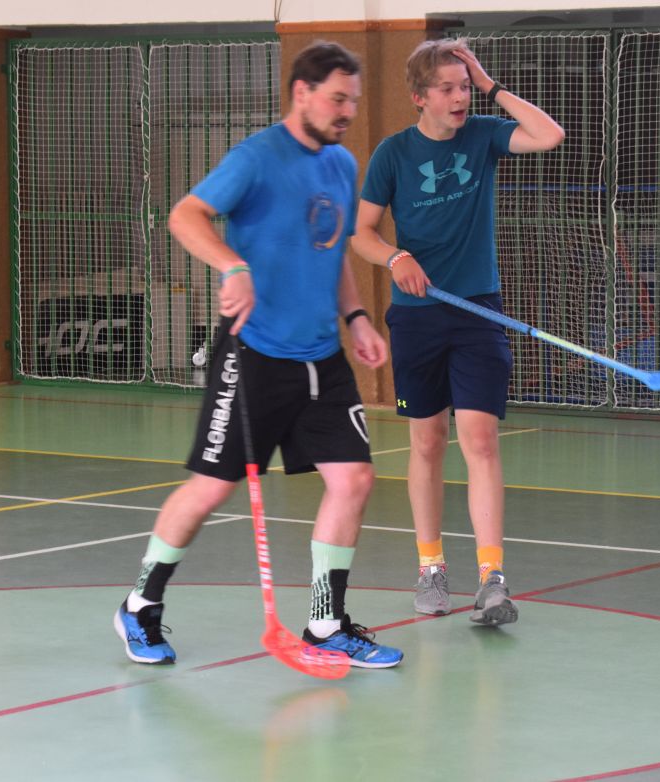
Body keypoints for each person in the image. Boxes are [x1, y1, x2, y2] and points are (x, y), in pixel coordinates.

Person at [114, 41, 402, 669]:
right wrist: (232, 265)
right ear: (302, 93)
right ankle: (140, 604)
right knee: (211, 487)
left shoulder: (340, 164)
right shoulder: (256, 157)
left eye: (353, 101)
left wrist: (356, 316)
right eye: (337, 99)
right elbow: (186, 216)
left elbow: (332, 250)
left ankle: (325, 623)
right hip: (255, 353)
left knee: (353, 479)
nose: (347, 111)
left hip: (321, 356)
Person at [351, 39, 564, 624]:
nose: (459, 97)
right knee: (426, 442)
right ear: (419, 97)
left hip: (478, 312)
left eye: (464, 86)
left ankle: (492, 579)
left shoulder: (484, 135)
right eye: (447, 88)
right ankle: (431, 567)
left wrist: (491, 85)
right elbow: (361, 233)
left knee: (481, 439)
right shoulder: (394, 153)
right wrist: (396, 257)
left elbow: (549, 135)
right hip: (417, 316)